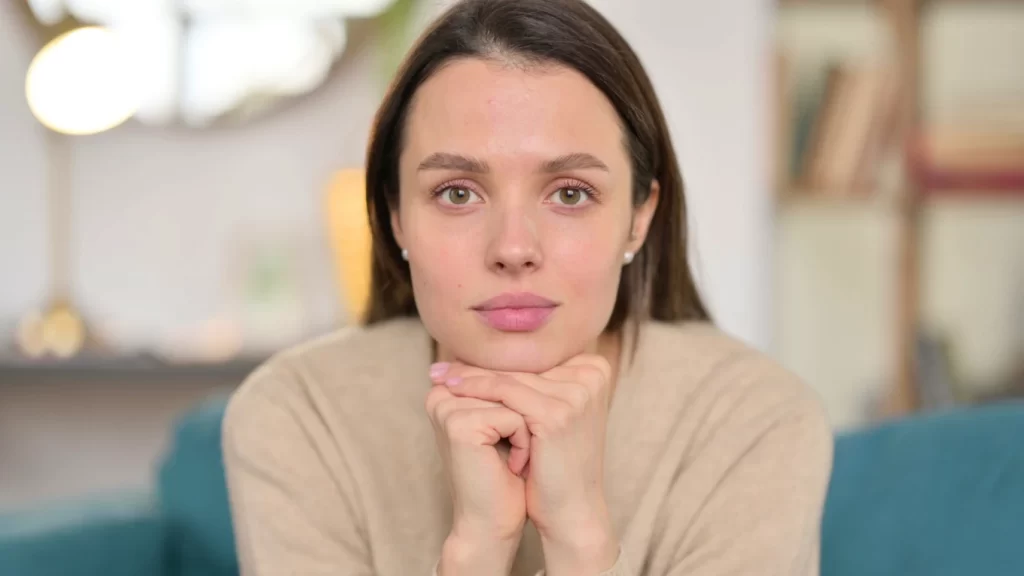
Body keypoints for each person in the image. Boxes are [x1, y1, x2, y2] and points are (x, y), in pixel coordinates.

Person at [221, 0, 834, 574]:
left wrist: (579, 538)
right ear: (396, 216)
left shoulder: (754, 421)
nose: (513, 248)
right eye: (457, 193)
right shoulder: (300, 417)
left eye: (570, 193)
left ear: (639, 217)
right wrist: (476, 548)